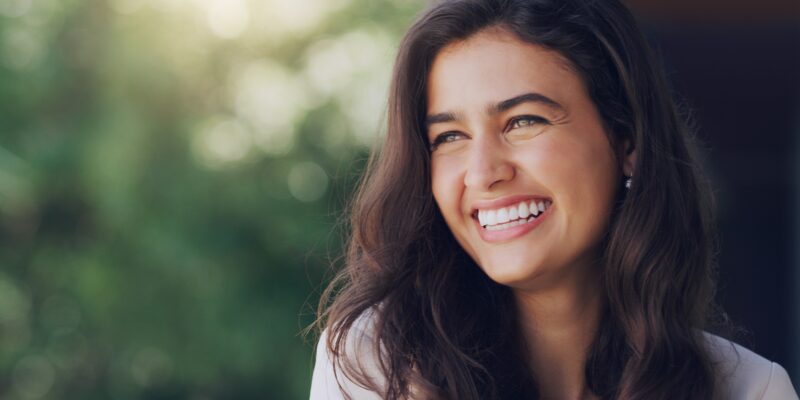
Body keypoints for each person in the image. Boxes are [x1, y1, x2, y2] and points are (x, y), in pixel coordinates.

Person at [308, 0, 799, 399]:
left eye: (524, 121)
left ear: (626, 143)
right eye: (449, 137)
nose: (483, 172)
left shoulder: (750, 390)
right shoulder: (375, 367)